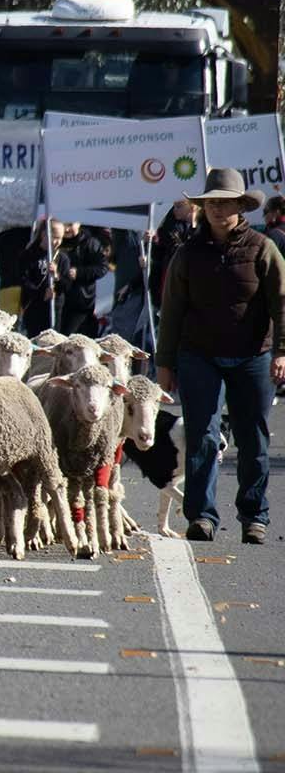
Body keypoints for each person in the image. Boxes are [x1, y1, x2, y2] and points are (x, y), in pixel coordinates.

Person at [155, 168, 285, 545]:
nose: (217, 208)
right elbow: (172, 310)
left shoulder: (263, 248)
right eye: (211, 202)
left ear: (240, 206)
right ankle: (202, 516)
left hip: (253, 356)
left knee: (252, 437)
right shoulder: (186, 254)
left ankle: (254, 516)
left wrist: (281, 351)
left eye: (225, 202)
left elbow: (281, 304)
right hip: (200, 355)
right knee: (202, 436)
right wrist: (165, 363)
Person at [57, 221, 111, 337]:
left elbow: (102, 267)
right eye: (64, 225)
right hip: (59, 298)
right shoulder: (56, 241)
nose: (67, 229)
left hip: (81, 300)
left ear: (78, 224)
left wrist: (79, 273)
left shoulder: (90, 242)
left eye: (70, 225)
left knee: (67, 335)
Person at [19, 217, 64, 337]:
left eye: (60, 238)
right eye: (55, 237)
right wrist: (41, 293)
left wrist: (56, 277)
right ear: (44, 234)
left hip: (54, 308)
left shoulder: (62, 257)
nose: (57, 242)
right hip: (34, 307)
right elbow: (24, 280)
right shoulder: (29, 254)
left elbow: (67, 284)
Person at [149, 199, 197, 310]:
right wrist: (155, 242)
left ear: (192, 207)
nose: (174, 210)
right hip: (173, 282)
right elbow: (161, 255)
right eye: (174, 206)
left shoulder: (203, 227)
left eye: (179, 206)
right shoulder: (171, 226)